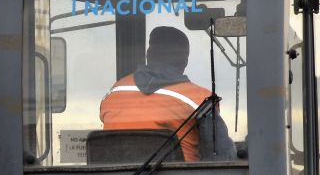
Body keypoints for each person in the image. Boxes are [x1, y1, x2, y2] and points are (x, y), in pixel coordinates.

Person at [99, 26, 236, 162]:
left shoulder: (114, 93)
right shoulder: (200, 99)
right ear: (185, 61)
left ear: (149, 55)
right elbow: (221, 158)